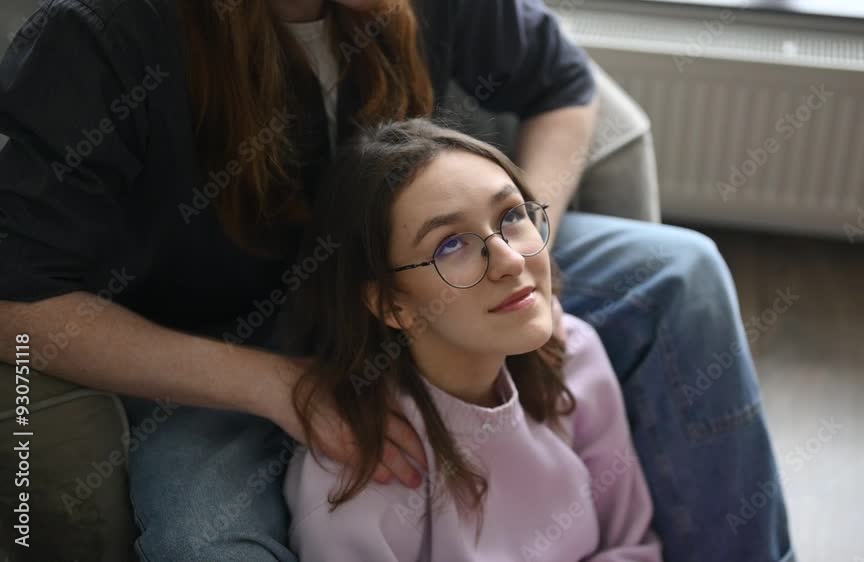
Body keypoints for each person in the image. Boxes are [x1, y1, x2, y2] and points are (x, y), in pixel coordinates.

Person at [0, 0, 793, 560]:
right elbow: (15, 300)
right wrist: (274, 384)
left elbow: (564, 88)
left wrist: (528, 238)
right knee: (202, 543)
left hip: (432, 277)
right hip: (221, 347)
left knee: (681, 270)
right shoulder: (99, 38)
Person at [280, 117, 662, 561]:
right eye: (450, 245)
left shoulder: (574, 353)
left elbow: (633, 547)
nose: (510, 260)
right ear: (391, 305)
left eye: (512, 216)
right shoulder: (356, 475)